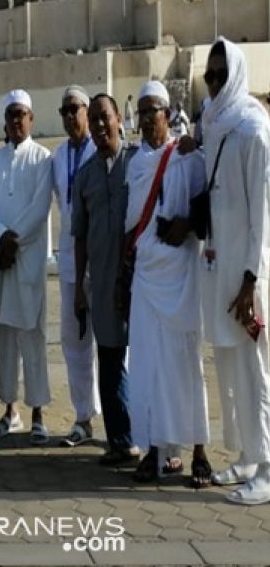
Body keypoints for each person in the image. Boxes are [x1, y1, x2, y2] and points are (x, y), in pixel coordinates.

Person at [125, 80, 210, 486]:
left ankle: (199, 452)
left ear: (167, 113)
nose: (145, 119)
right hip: (146, 273)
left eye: (152, 110)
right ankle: (154, 449)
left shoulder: (188, 157)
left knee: (185, 362)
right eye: (140, 112)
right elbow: (130, 225)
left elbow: (206, 209)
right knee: (148, 365)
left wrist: (187, 225)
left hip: (180, 275)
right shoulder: (136, 164)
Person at [196, 39, 270, 503]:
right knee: (228, 366)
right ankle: (245, 454)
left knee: (255, 369)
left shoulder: (253, 130)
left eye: (223, 74)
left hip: (247, 277)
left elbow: (263, 213)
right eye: (211, 75)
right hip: (219, 270)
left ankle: (267, 465)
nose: (216, 82)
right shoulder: (215, 125)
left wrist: (251, 280)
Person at [0, 90, 54, 444]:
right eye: (10, 115)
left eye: (21, 114)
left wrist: (13, 240)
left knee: (33, 337)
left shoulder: (43, 159)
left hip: (27, 263)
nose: (15, 121)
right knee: (5, 337)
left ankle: (39, 413)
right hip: (3, 265)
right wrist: (0, 238)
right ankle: (10, 411)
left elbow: (40, 210)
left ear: (31, 119)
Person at [73, 94, 139, 467]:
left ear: (119, 119)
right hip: (101, 281)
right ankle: (121, 441)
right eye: (93, 119)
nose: (99, 125)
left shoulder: (138, 163)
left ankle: (157, 441)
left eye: (105, 118)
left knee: (147, 360)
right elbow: (79, 235)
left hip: (141, 280)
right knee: (110, 361)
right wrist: (81, 288)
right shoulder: (86, 176)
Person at [52, 86, 100, 448]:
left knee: (113, 344)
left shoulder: (102, 150)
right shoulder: (57, 157)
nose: (70, 116)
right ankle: (83, 417)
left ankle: (120, 419)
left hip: (101, 261)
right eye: (64, 111)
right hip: (69, 261)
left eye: (75, 109)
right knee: (74, 341)